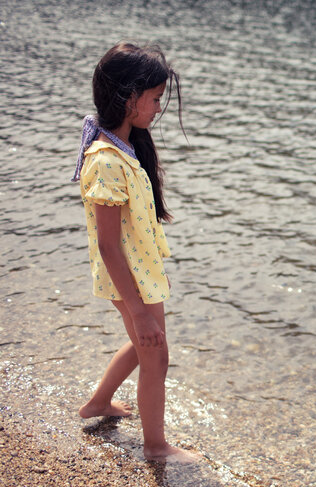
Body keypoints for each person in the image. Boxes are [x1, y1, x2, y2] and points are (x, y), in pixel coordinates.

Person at [72, 42, 195, 462]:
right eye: (156, 98)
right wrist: (140, 307)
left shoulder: (125, 147)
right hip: (127, 277)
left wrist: (154, 271)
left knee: (146, 344)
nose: (159, 107)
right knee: (155, 354)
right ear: (129, 97)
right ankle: (156, 447)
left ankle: (98, 404)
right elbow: (108, 244)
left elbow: (134, 227)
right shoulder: (105, 159)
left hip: (139, 272)